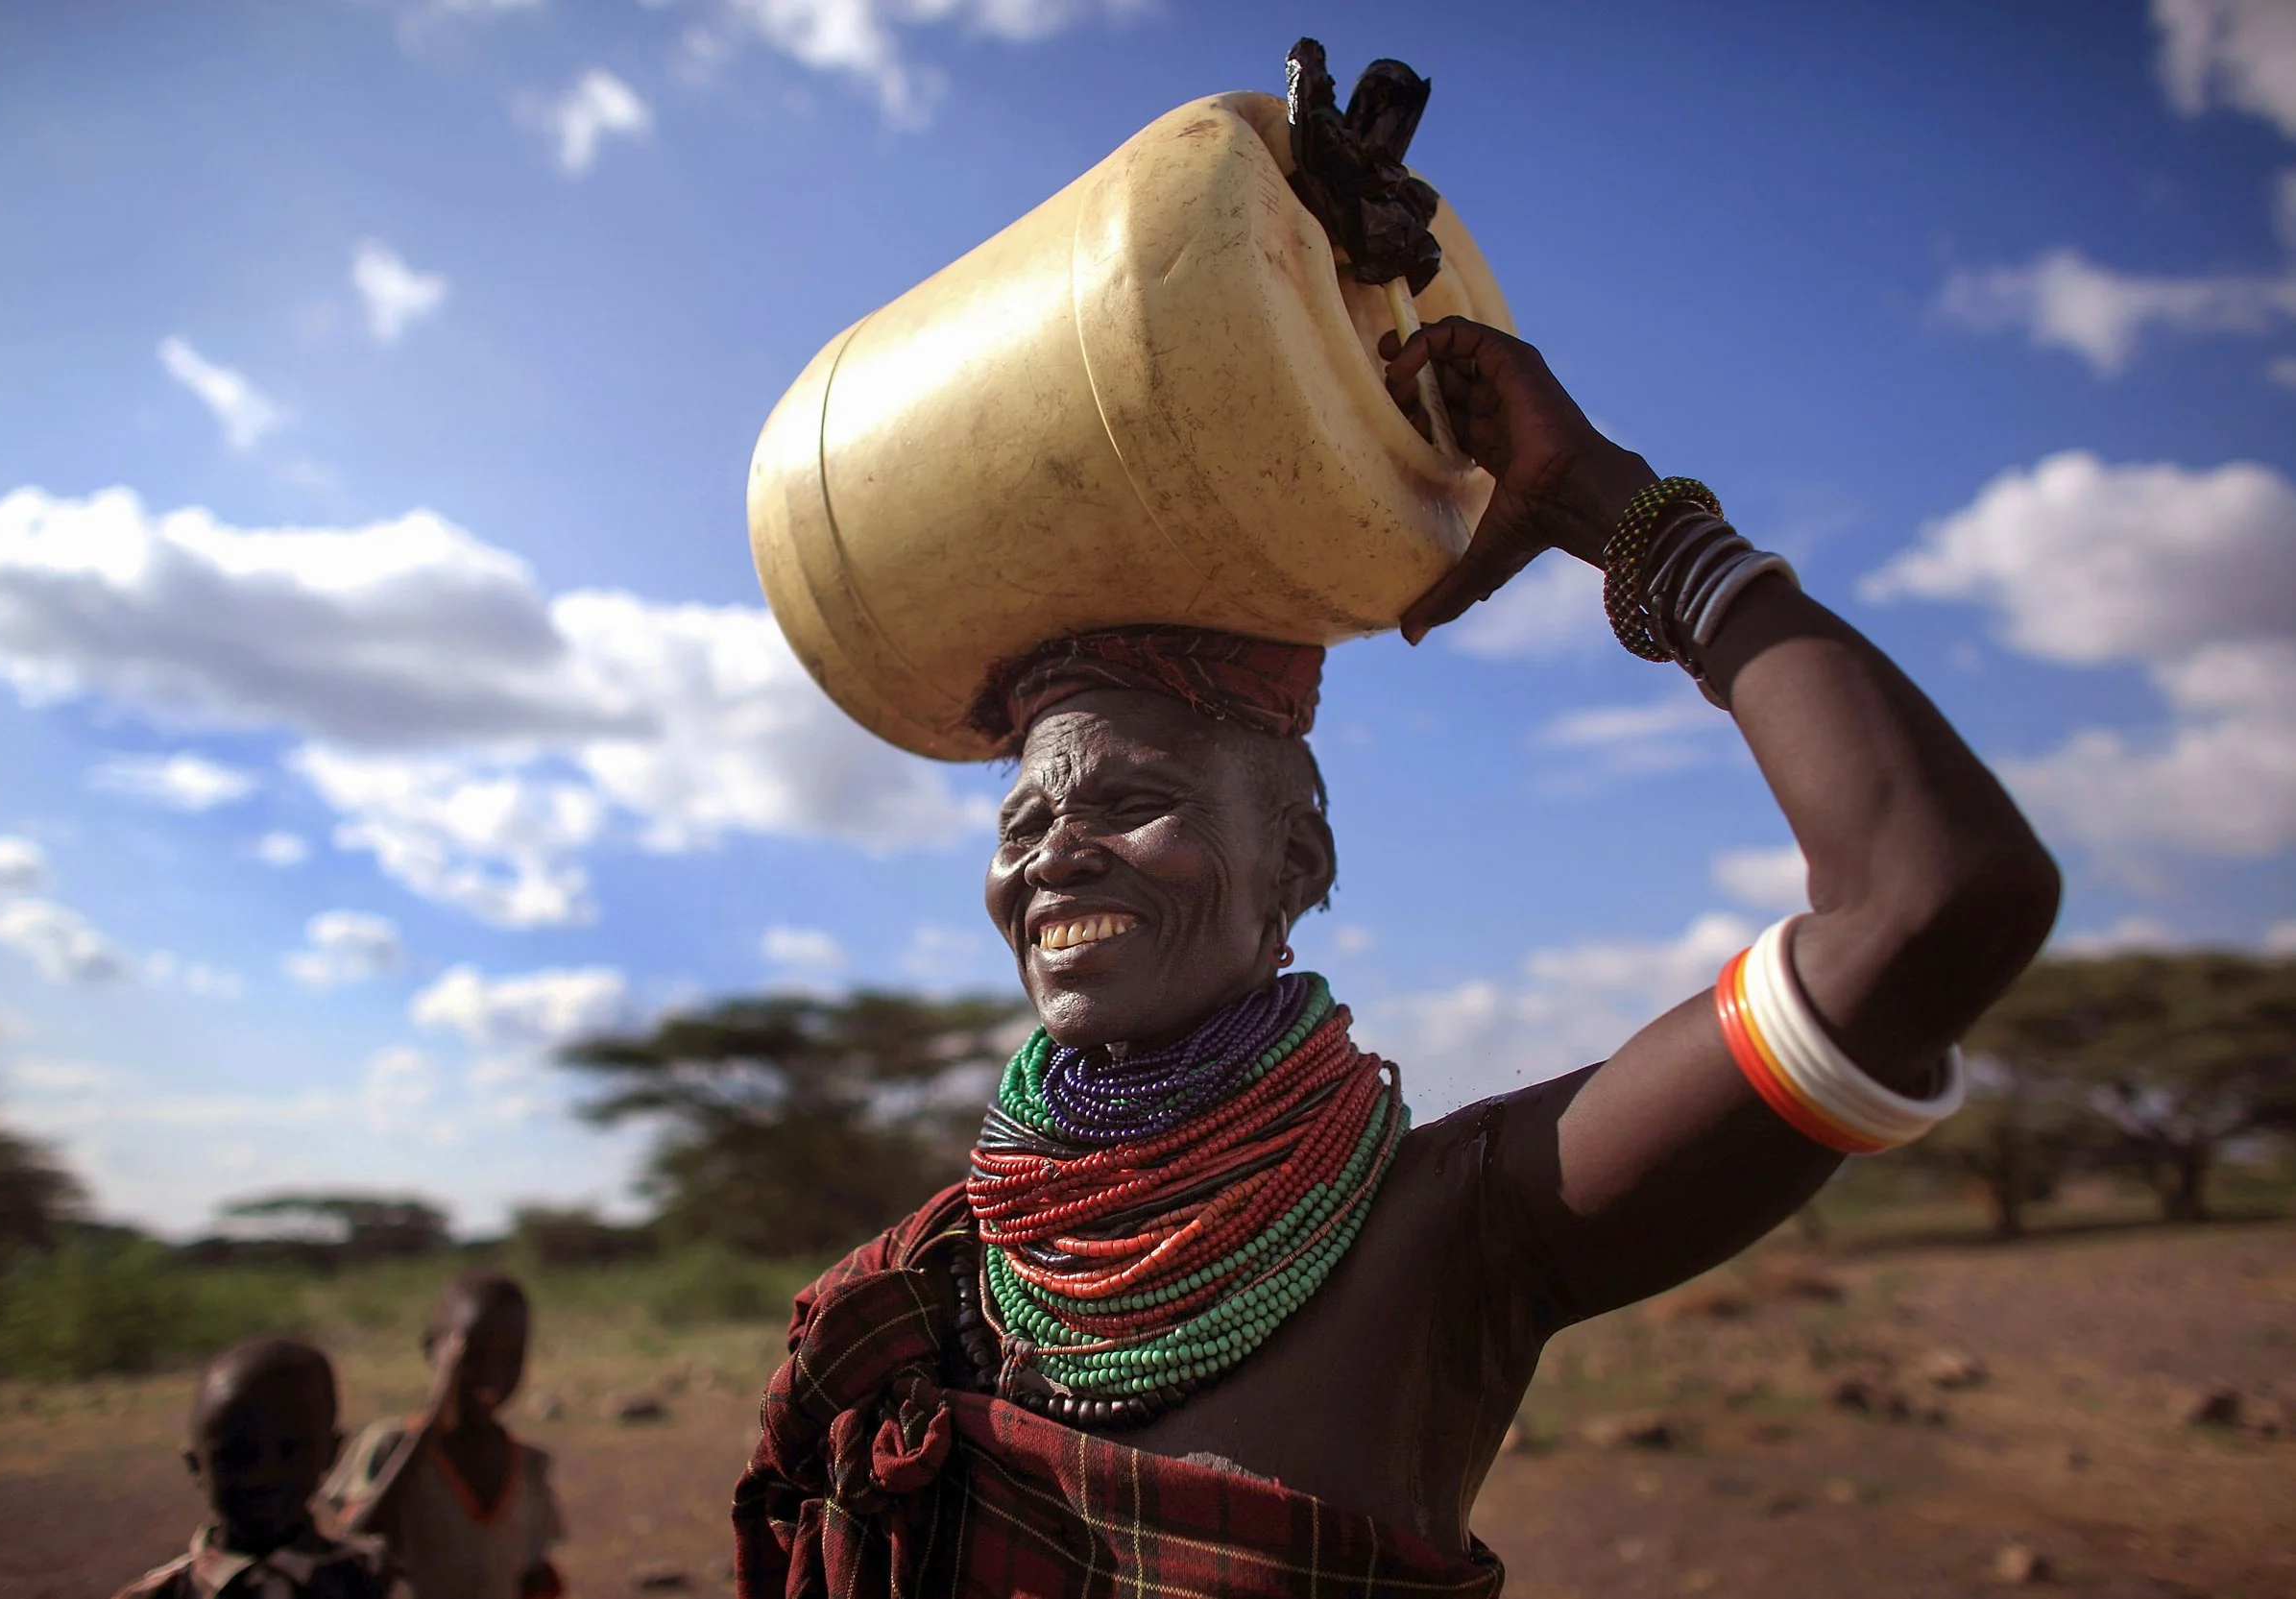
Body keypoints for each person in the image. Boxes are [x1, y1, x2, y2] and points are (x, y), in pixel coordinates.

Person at [731, 315, 2062, 1597]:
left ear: (1298, 865)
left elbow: (1931, 902)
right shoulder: (933, 1287)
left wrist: (1617, 508)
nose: (1054, 857)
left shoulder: (1460, 1230)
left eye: (1132, 803)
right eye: (1022, 821)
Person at [321, 1272, 566, 1599]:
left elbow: (532, 1572)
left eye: (511, 1358)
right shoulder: (390, 1447)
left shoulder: (528, 1466)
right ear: (432, 1350)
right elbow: (357, 1536)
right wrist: (431, 1425)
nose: (493, 1373)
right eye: (471, 1356)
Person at [112, 1337, 393, 1599]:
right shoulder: (160, 1595)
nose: (261, 1476)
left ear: (330, 1452)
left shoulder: (377, 1580)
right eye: (234, 1455)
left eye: (289, 1450)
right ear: (196, 1464)